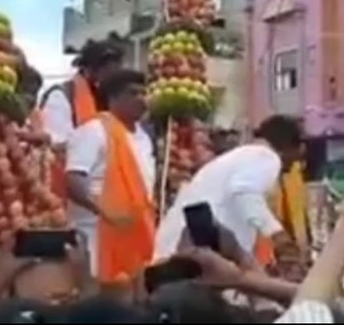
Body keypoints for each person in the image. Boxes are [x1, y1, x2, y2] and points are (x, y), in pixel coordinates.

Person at [154, 114, 304, 264]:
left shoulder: (242, 157)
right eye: (298, 157)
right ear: (289, 147)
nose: (294, 164)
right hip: (194, 251)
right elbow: (244, 193)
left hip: (180, 247)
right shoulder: (266, 157)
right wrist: (277, 234)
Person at [65, 69, 156, 283]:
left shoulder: (144, 138)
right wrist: (105, 211)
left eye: (144, 93)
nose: (141, 99)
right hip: (96, 235)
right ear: (113, 98)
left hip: (134, 236)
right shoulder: (93, 131)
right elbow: (73, 180)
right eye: (133, 93)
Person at [39, 39, 124, 198]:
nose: (112, 78)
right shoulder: (62, 96)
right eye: (106, 71)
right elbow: (55, 146)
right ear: (88, 70)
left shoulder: (113, 100)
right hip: (65, 194)